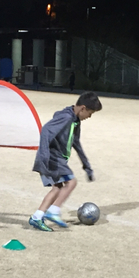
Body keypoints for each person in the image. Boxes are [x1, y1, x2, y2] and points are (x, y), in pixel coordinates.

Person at [29, 91, 102, 231]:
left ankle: (37, 217)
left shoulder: (75, 121)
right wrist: (44, 156)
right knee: (71, 182)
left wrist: (86, 165)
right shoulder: (66, 117)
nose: (89, 116)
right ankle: (54, 211)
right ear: (83, 108)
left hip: (57, 157)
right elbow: (46, 130)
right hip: (52, 157)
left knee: (57, 188)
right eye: (90, 113)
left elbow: (76, 143)